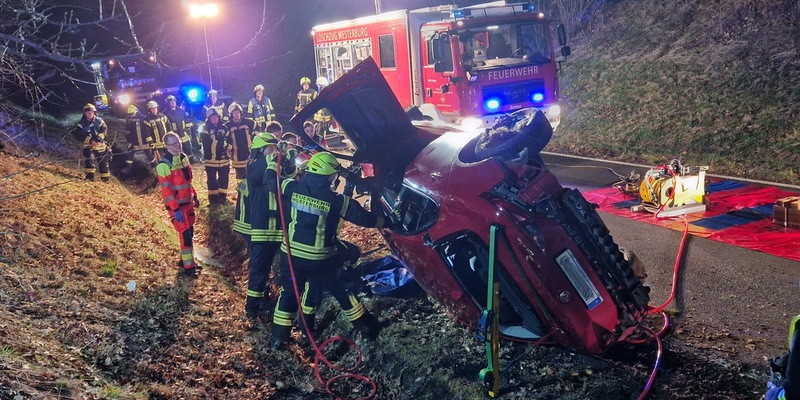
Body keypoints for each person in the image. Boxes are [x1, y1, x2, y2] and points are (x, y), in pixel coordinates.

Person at [270, 152, 397, 349]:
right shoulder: (337, 200)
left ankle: (279, 338)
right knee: (342, 289)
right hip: (321, 259)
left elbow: (274, 182)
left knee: (289, 293)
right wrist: (389, 220)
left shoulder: (291, 187)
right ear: (329, 176)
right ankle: (367, 327)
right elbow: (363, 218)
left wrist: (277, 162)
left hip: (291, 256)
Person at [244, 132, 297, 326]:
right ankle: (252, 308)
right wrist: (276, 156)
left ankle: (283, 309)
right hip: (263, 228)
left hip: (281, 226)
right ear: (260, 150)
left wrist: (288, 157)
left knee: (286, 270)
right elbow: (263, 170)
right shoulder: (253, 166)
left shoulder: (274, 164)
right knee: (259, 269)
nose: (274, 152)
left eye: (275, 149)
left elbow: (290, 173)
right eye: (270, 148)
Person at [156, 132, 201, 278]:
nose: (178, 145)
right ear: (167, 146)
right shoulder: (164, 164)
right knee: (185, 236)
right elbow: (166, 191)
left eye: (179, 142)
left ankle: (185, 261)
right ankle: (189, 268)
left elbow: (188, 182)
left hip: (188, 203)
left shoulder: (183, 158)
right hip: (177, 208)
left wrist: (195, 195)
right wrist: (174, 209)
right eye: (174, 144)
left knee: (190, 233)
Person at [71, 103, 111, 182]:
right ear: (84, 113)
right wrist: (90, 140)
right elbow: (79, 135)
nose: (90, 113)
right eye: (88, 112)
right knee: (89, 160)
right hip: (89, 146)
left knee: (103, 163)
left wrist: (99, 138)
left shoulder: (99, 121)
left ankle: (105, 179)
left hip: (100, 146)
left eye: (91, 112)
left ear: (94, 112)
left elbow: (104, 131)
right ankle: (90, 177)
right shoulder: (81, 124)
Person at [200, 107, 231, 204]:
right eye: (213, 117)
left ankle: (222, 197)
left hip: (224, 159)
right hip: (211, 159)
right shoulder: (204, 129)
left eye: (216, 116)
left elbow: (229, 140)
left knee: (224, 178)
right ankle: (213, 199)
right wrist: (223, 144)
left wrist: (229, 145)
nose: (215, 119)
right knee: (212, 179)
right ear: (208, 118)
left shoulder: (224, 128)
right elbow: (207, 143)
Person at [225, 102, 258, 180]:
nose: (237, 114)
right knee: (240, 177)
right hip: (237, 155)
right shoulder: (227, 126)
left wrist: (255, 137)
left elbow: (257, 130)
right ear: (231, 114)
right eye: (235, 113)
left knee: (252, 175)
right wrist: (228, 145)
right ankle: (241, 192)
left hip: (250, 153)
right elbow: (225, 138)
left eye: (238, 112)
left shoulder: (249, 123)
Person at [121, 105, 154, 174]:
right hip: (134, 141)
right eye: (129, 114)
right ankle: (128, 167)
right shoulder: (129, 119)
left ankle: (154, 166)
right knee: (130, 153)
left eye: (132, 114)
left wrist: (149, 140)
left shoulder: (143, 119)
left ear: (136, 112)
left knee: (149, 153)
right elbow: (128, 131)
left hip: (144, 140)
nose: (131, 116)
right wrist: (129, 140)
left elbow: (147, 130)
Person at [163, 94, 195, 163]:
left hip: (184, 134)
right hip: (175, 136)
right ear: (167, 103)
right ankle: (179, 163)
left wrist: (188, 132)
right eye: (171, 101)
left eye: (174, 101)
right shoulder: (165, 113)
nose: (173, 102)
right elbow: (166, 126)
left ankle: (191, 162)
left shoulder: (181, 111)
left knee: (188, 150)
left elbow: (186, 121)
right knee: (177, 150)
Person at [142, 100, 170, 167]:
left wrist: (170, 136)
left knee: (170, 157)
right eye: (152, 109)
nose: (154, 110)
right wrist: (151, 144)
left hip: (166, 143)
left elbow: (168, 126)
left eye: (155, 108)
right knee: (160, 161)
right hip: (156, 145)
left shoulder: (162, 116)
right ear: (149, 110)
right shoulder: (147, 120)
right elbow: (147, 133)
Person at [312, 77, 332, 144]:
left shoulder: (326, 95)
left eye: (319, 85)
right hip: (319, 121)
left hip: (325, 121)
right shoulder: (317, 95)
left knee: (324, 137)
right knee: (319, 136)